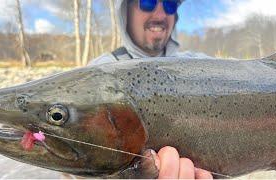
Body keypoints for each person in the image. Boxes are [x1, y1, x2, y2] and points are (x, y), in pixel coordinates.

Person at [88, 0, 213, 179]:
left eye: (170, 5)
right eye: (148, 2)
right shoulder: (98, 72)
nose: (160, 15)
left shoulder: (200, 65)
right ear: (125, 12)